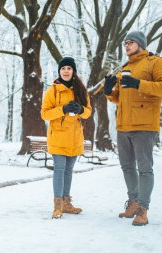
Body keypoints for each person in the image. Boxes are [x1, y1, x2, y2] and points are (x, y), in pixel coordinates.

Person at [104, 31, 162, 226]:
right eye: (125, 43)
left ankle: (143, 208)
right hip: (123, 125)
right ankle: (133, 202)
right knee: (127, 167)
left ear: (141, 44)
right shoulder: (124, 67)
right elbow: (118, 98)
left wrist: (139, 83)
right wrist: (109, 91)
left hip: (144, 125)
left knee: (144, 168)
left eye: (130, 42)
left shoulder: (155, 62)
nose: (126, 45)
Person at [41, 57, 92, 219]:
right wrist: (62, 109)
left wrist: (80, 109)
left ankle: (66, 203)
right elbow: (44, 113)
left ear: (73, 71)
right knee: (60, 169)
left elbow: (88, 112)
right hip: (57, 136)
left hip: (75, 137)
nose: (66, 71)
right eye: (63, 68)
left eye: (69, 68)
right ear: (60, 71)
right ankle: (57, 205)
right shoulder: (53, 91)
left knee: (69, 170)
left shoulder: (81, 91)